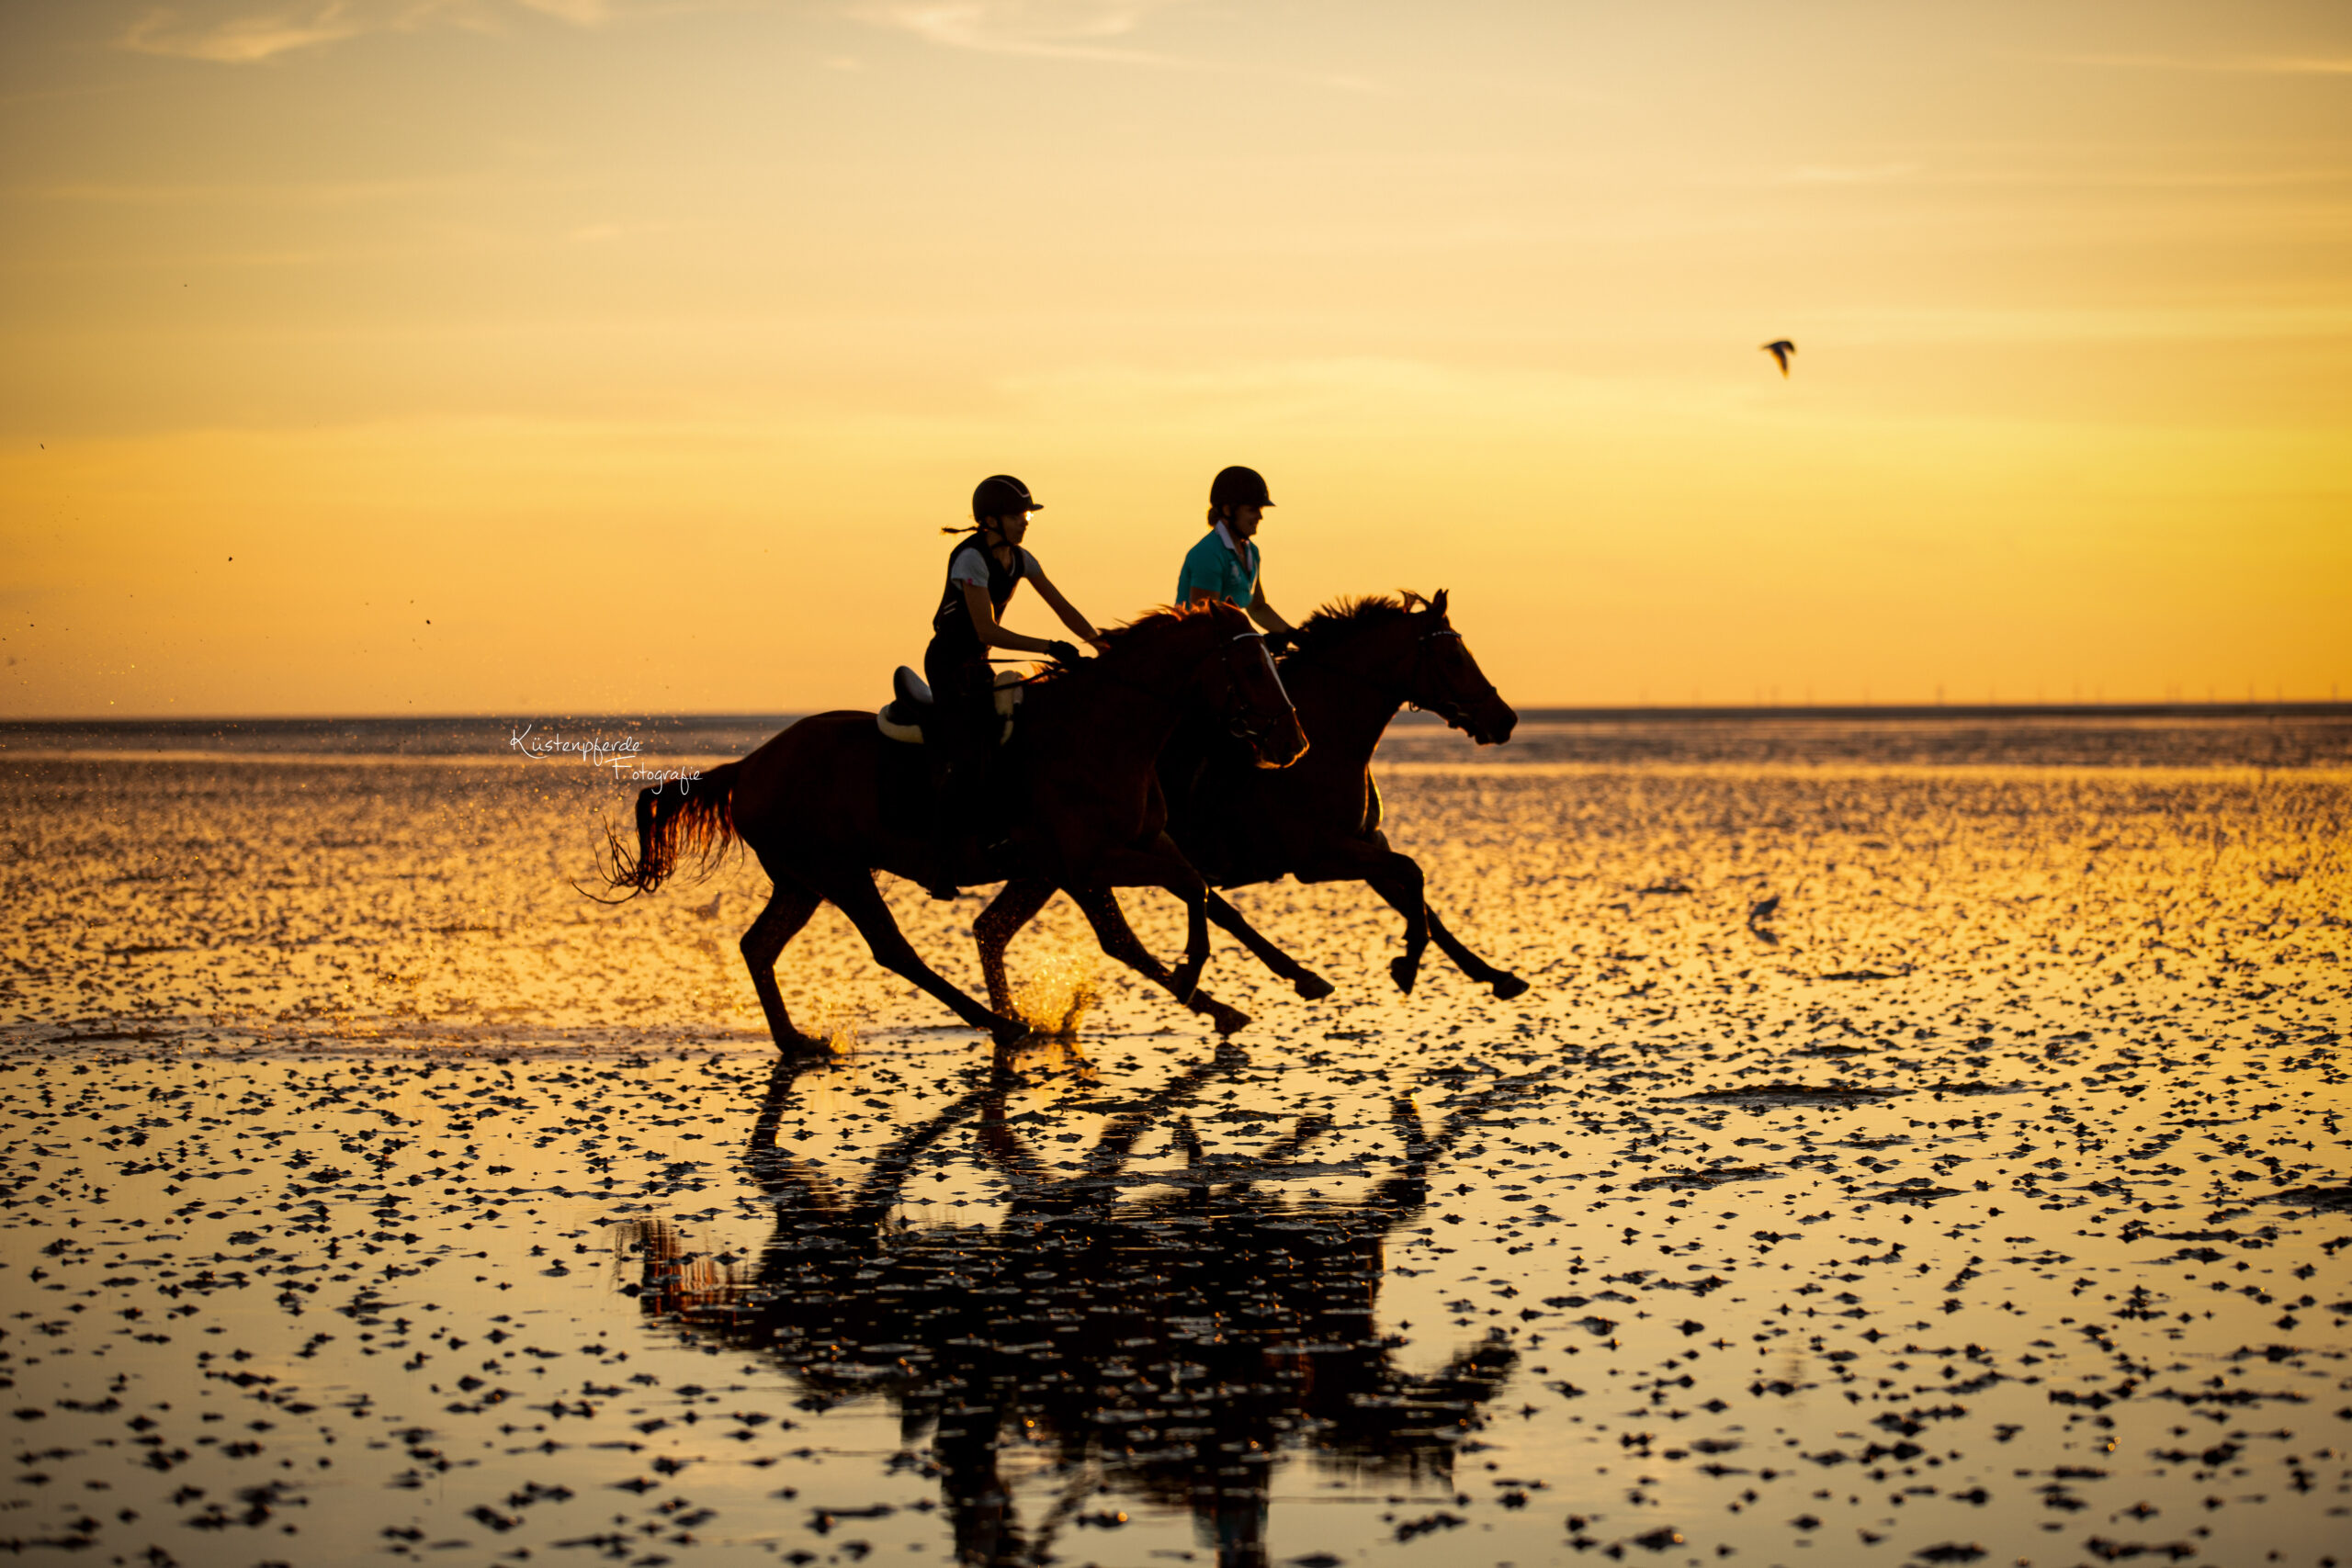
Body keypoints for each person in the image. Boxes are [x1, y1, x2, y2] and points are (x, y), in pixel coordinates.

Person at [922, 474, 1105, 898]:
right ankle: (941, 862)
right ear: (989, 521)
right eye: (1017, 516)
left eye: (1026, 516)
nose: (1025, 523)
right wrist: (1048, 647)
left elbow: (1064, 609)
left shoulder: (1022, 559)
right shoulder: (968, 559)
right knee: (969, 753)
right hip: (949, 665)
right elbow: (985, 630)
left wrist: (1101, 645)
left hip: (978, 666)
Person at [1175, 465, 1297, 650]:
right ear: (1227, 510)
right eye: (1252, 510)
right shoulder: (1208, 554)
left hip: (1228, 649)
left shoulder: (1251, 552)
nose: (1260, 517)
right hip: (1197, 653)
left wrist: (1294, 635)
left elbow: (1257, 608)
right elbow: (1206, 623)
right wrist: (1259, 642)